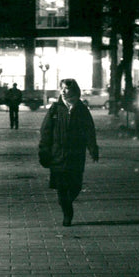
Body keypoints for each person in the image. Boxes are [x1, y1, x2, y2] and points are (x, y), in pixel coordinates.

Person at [38, 78, 99, 226]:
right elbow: (46, 131)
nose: (63, 91)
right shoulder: (55, 108)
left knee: (76, 185)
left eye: (66, 89)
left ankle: (66, 202)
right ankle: (67, 213)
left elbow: (89, 130)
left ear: (74, 90)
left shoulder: (82, 109)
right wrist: (44, 150)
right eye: (62, 89)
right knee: (61, 186)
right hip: (57, 154)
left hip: (76, 154)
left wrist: (93, 148)